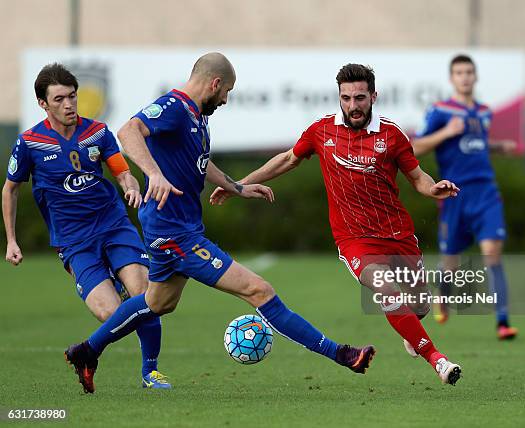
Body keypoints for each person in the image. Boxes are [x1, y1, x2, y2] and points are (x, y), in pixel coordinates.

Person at [64, 53, 375, 394]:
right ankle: (342, 354)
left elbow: (199, 161)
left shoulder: (196, 116)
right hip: (174, 232)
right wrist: (153, 174)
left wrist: (236, 187)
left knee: (158, 303)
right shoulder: (174, 106)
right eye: (227, 90)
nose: (226, 99)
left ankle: (86, 351)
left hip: (179, 227)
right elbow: (128, 131)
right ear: (214, 83)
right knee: (259, 290)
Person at [210, 63, 462, 385]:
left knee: (420, 305)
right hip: (354, 238)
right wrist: (237, 185)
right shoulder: (322, 131)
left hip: (396, 232)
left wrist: (433, 188)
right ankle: (437, 360)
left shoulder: (392, 135)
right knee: (385, 289)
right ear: (339, 97)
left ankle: (410, 330)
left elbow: (417, 176)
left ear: (373, 96)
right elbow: (288, 159)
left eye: (359, 98)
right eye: (346, 98)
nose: (353, 106)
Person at [2, 63, 170, 392]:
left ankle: (151, 372)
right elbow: (10, 188)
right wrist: (11, 240)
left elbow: (121, 170)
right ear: (43, 104)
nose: (69, 104)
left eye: (73, 96)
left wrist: (130, 186)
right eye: (60, 98)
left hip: (113, 225)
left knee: (145, 295)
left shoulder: (97, 132)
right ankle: (88, 355)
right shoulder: (30, 143)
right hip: (74, 242)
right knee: (110, 315)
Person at [411, 54, 518, 340]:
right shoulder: (441, 111)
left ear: (475, 76)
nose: (465, 77)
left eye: (469, 71)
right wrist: (446, 131)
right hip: (454, 193)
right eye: (459, 72)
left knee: (492, 254)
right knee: (451, 261)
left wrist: (497, 147)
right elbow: (415, 147)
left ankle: (503, 322)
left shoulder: (484, 111)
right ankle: (443, 295)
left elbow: (474, 145)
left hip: (486, 192)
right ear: (452, 78)